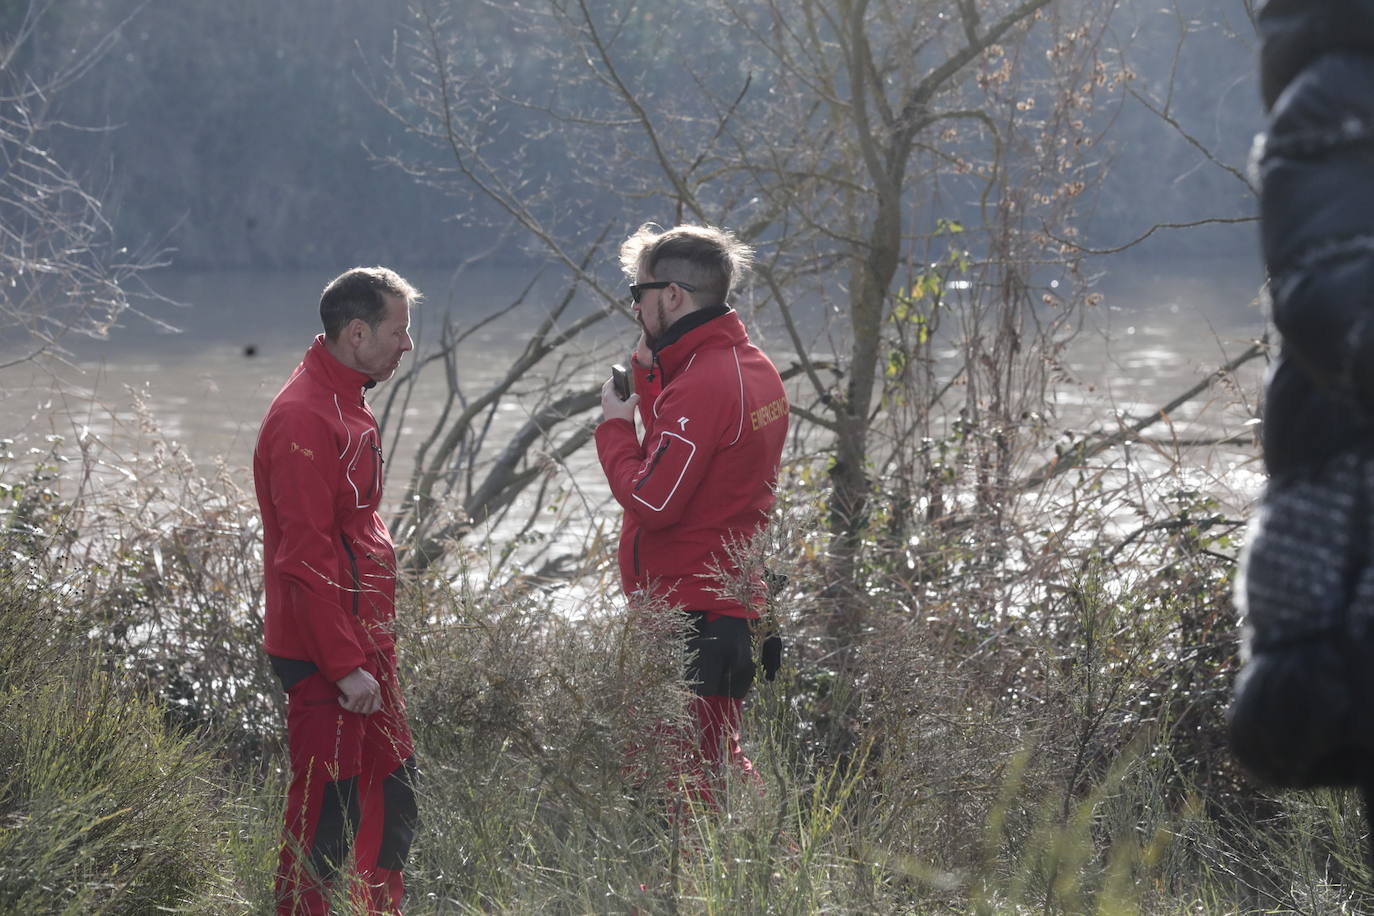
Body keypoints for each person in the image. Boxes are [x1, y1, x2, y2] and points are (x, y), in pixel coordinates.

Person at [596, 223, 789, 804]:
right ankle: (762, 876)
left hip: (693, 616)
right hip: (725, 607)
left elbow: (654, 501)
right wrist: (652, 375)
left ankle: (704, 891)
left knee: (678, 786)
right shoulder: (749, 367)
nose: (635, 309)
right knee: (716, 765)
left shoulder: (705, 383)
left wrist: (612, 427)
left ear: (672, 296)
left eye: (639, 295)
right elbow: (689, 451)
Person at [254, 267, 421, 914]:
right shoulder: (301, 419)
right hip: (328, 655)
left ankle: (379, 909)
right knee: (326, 815)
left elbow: (355, 534)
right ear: (357, 334)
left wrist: (370, 651)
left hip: (365, 643)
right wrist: (345, 665)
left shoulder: (348, 400)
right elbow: (306, 558)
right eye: (398, 331)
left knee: (397, 792)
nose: (406, 345)